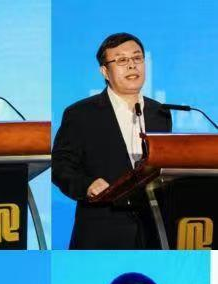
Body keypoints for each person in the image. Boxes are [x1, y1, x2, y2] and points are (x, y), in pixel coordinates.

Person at [52, 33, 172, 249]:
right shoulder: (81, 113)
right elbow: (60, 166)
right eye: (122, 60)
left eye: (137, 58)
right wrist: (87, 185)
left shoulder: (160, 113)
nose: (132, 65)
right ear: (105, 71)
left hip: (152, 231)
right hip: (102, 230)